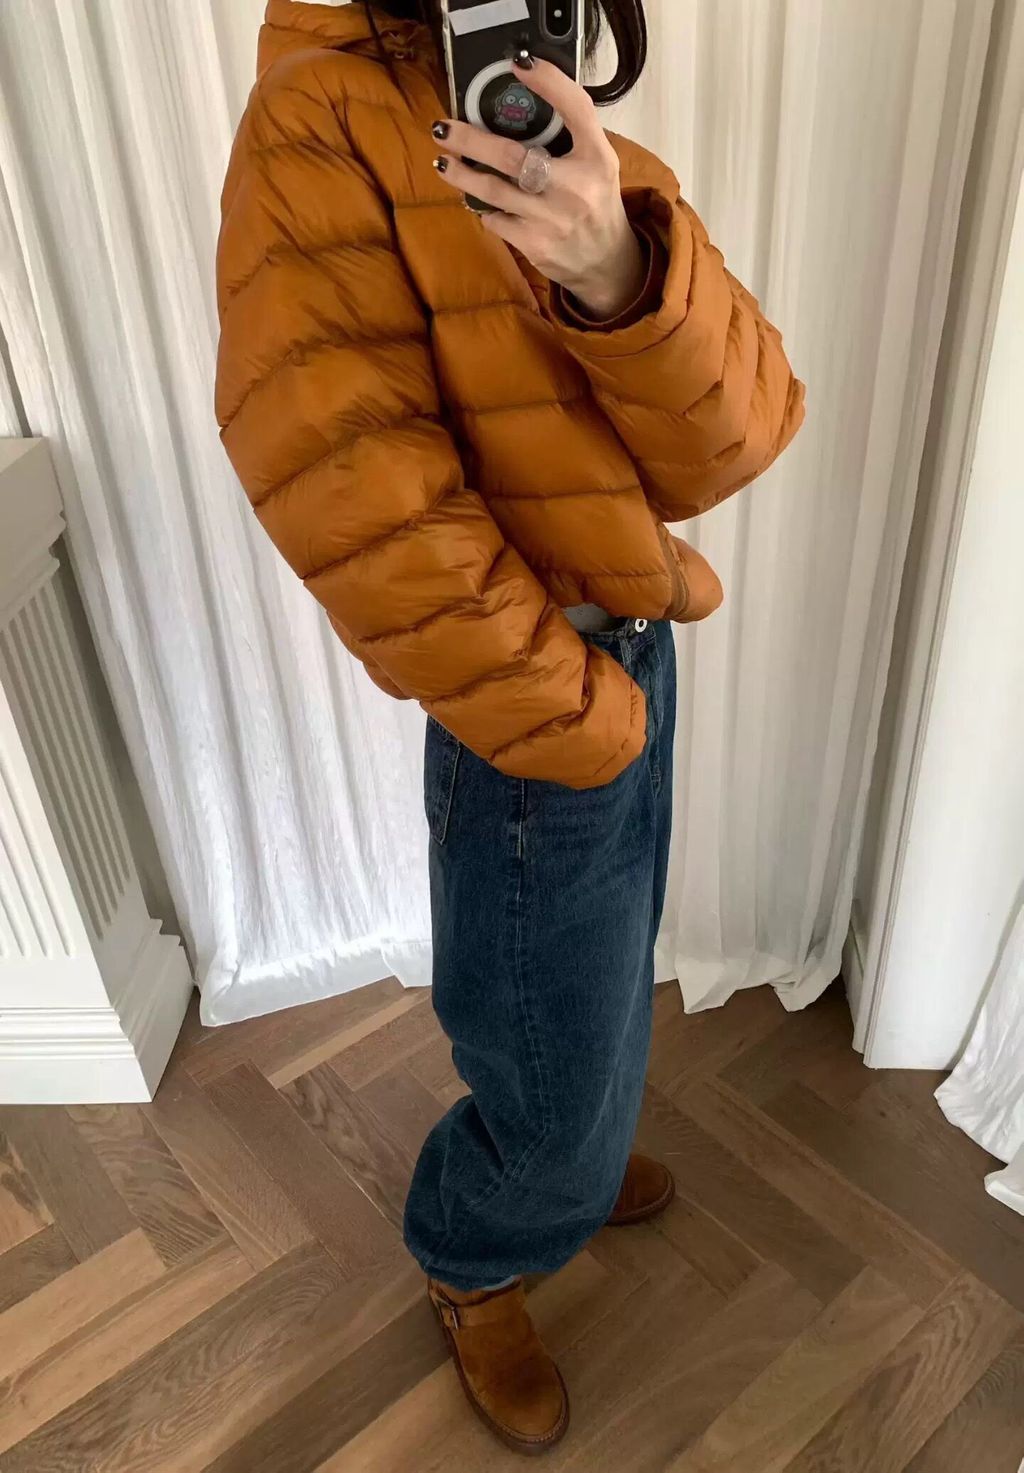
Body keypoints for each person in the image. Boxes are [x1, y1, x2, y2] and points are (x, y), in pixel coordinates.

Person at [216, 0, 804, 1453]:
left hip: (629, 647)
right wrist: (574, 710)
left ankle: (571, 1160)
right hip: (535, 703)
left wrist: (611, 267)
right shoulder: (318, 120)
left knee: (595, 990)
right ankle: (480, 1244)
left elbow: (735, 436)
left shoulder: (541, 105)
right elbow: (355, 491)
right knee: (545, 1032)